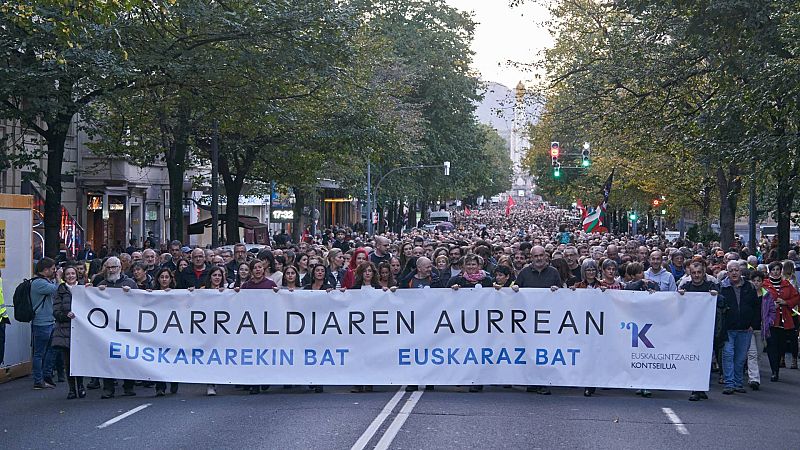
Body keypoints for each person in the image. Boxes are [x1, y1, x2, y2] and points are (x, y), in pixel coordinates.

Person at [91, 256, 138, 398]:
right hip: (108, 329)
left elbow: (140, 302)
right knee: (108, 359)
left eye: (114, 267)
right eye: (109, 267)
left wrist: (131, 293)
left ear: (120, 268)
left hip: (126, 328)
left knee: (127, 358)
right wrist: (96, 292)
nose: (111, 270)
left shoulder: (130, 283)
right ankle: (108, 388)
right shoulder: (102, 283)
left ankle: (128, 386)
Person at [678, 261, 719, 400]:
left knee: (705, 360)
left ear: (704, 273)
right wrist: (679, 296)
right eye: (693, 273)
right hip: (689, 330)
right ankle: (695, 388)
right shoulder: (685, 286)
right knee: (693, 359)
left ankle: (701, 387)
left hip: (706, 330)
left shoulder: (711, 286)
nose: (696, 275)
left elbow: (723, 303)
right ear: (690, 273)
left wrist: (716, 296)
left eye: (699, 272)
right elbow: (676, 306)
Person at [719, 260, 760, 395]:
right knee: (728, 355)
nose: (734, 273)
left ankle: (738, 383)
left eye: (736, 270)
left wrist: (753, 325)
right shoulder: (722, 287)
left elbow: (756, 307)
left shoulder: (750, 287)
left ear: (740, 272)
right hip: (728, 328)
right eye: (731, 271)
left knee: (741, 357)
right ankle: (729, 383)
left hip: (745, 329)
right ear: (727, 273)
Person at [763, 261, 800, 381]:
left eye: (777, 270)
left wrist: (786, 302)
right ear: (770, 271)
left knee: (781, 346)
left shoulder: (786, 284)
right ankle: (774, 371)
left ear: (781, 271)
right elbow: (761, 299)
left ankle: (778, 364)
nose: (775, 272)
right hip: (771, 321)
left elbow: (796, 297)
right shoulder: (765, 284)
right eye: (773, 270)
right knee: (772, 345)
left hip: (785, 320)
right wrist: (771, 305)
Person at [52, 265, 84, 399]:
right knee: (68, 362)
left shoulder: (85, 288)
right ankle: (71, 389)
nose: (70, 276)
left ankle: (81, 386)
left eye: (73, 273)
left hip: (82, 331)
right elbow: (56, 312)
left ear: (77, 275)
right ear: (64, 277)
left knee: (80, 360)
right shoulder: (60, 290)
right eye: (67, 274)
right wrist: (66, 315)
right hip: (65, 331)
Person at [30, 257, 59, 390]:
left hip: (48, 321)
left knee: (50, 350)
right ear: (45, 270)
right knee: (39, 353)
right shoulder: (38, 283)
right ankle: (38, 380)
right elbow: (57, 289)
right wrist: (59, 278)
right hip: (41, 323)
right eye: (53, 269)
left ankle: (46, 376)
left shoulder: (43, 282)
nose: (55, 271)